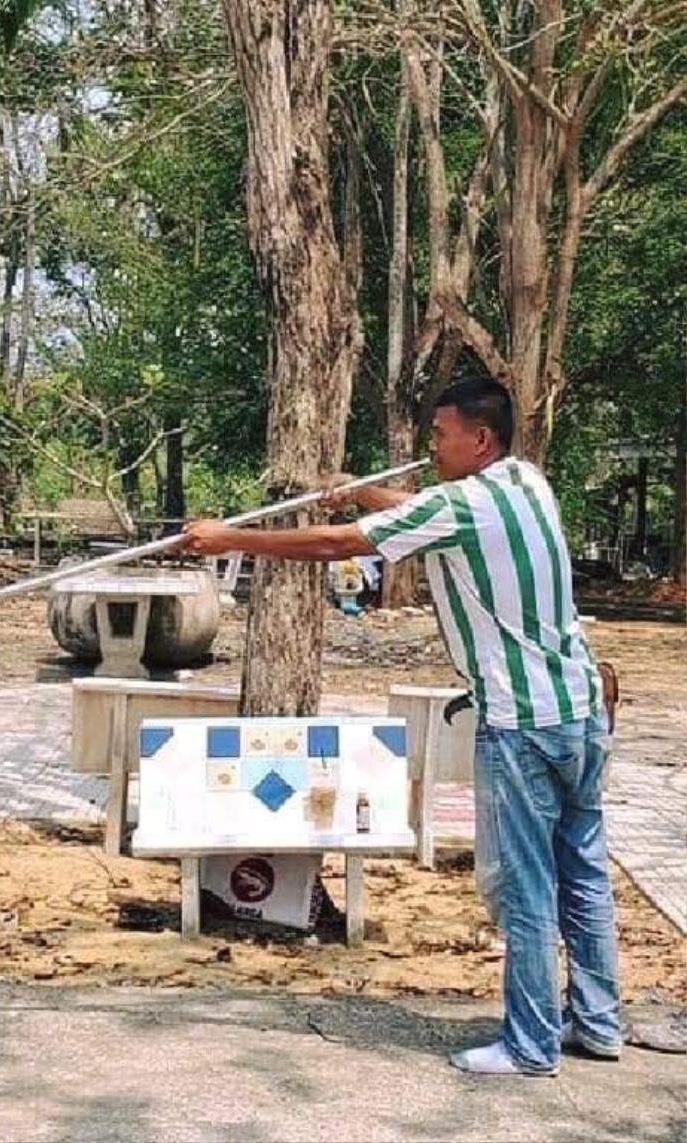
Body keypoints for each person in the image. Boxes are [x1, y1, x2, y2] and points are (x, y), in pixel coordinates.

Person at [180, 378, 620, 1077]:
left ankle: (531, 1044)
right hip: (583, 711)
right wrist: (359, 490)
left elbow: (338, 547)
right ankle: (598, 1023)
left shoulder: (463, 501)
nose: (431, 447)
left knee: (528, 884)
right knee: (584, 871)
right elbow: (418, 514)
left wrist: (225, 537)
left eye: (440, 435)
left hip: (521, 723)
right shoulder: (525, 483)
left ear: (479, 439)